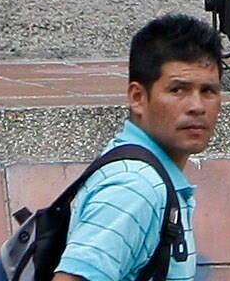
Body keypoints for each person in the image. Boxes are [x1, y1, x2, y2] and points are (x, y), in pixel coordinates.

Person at [59, 16, 221, 281]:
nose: (197, 106)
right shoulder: (135, 188)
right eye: (178, 90)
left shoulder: (149, 175)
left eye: (208, 91)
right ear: (137, 98)